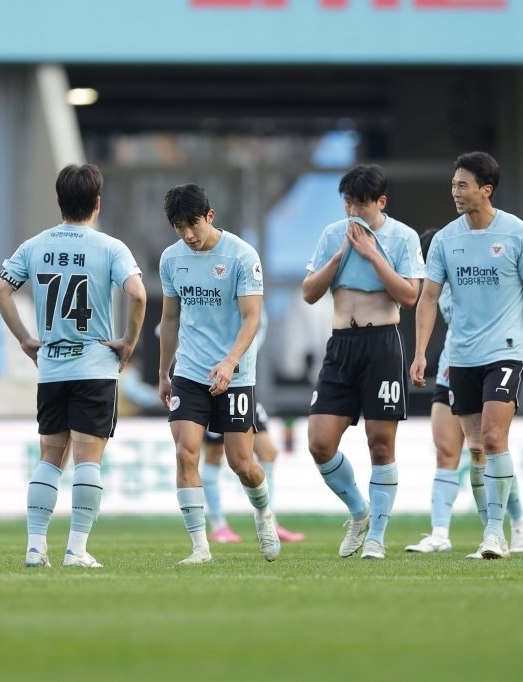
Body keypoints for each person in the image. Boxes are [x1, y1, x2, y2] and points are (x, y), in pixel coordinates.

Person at [0, 163, 146, 569]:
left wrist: (26, 337)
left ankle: (35, 545)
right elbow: (138, 295)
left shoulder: (34, 246)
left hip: (53, 368)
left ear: (59, 201)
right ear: (97, 203)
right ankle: (76, 549)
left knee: (50, 457)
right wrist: (128, 342)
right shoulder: (111, 247)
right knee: (88, 460)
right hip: (95, 366)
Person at [410, 151, 523, 560]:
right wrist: (420, 353)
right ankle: (484, 530)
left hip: (506, 351)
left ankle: (496, 534)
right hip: (462, 359)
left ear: (485, 190)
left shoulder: (519, 234)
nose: (455, 191)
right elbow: (428, 298)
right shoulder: (446, 241)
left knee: (493, 437)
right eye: (453, 184)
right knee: (475, 449)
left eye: (462, 185)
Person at [302, 164, 424, 560]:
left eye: (361, 204)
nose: (353, 211)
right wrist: (340, 256)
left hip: (381, 344)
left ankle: (378, 537)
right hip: (341, 344)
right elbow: (308, 292)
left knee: (381, 444)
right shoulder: (331, 235)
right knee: (320, 442)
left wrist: (372, 254)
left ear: (381, 202)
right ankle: (359, 512)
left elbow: (409, 296)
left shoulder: (403, 237)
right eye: (348, 203)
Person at [158, 183, 280, 565]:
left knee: (242, 464)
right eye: (179, 227)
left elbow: (252, 318)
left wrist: (229, 362)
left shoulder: (242, 255)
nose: (188, 235)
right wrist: (165, 371)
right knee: (184, 453)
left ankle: (263, 513)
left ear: (210, 216)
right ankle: (200, 546)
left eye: (192, 224)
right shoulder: (170, 259)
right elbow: (170, 317)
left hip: (235, 374)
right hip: (190, 371)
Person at [404, 228, 523, 555]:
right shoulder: (437, 287)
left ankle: (517, 523)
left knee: (489, 448)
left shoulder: (475, 275)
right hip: (454, 366)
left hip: (487, 363)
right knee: (447, 451)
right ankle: (439, 533)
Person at [202, 309, 304, 544]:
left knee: (268, 451)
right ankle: (218, 525)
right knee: (215, 455)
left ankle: (270, 520)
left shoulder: (255, 302)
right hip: (214, 381)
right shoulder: (215, 293)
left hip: (243, 381)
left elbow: (255, 332)